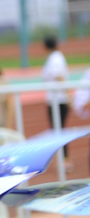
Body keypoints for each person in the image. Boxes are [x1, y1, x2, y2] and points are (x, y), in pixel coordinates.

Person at [42, 34, 71, 169]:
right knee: (58, 130)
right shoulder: (55, 57)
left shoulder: (55, 58)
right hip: (55, 100)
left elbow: (60, 77)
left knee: (59, 131)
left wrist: (67, 95)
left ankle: (65, 160)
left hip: (58, 101)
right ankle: (63, 159)